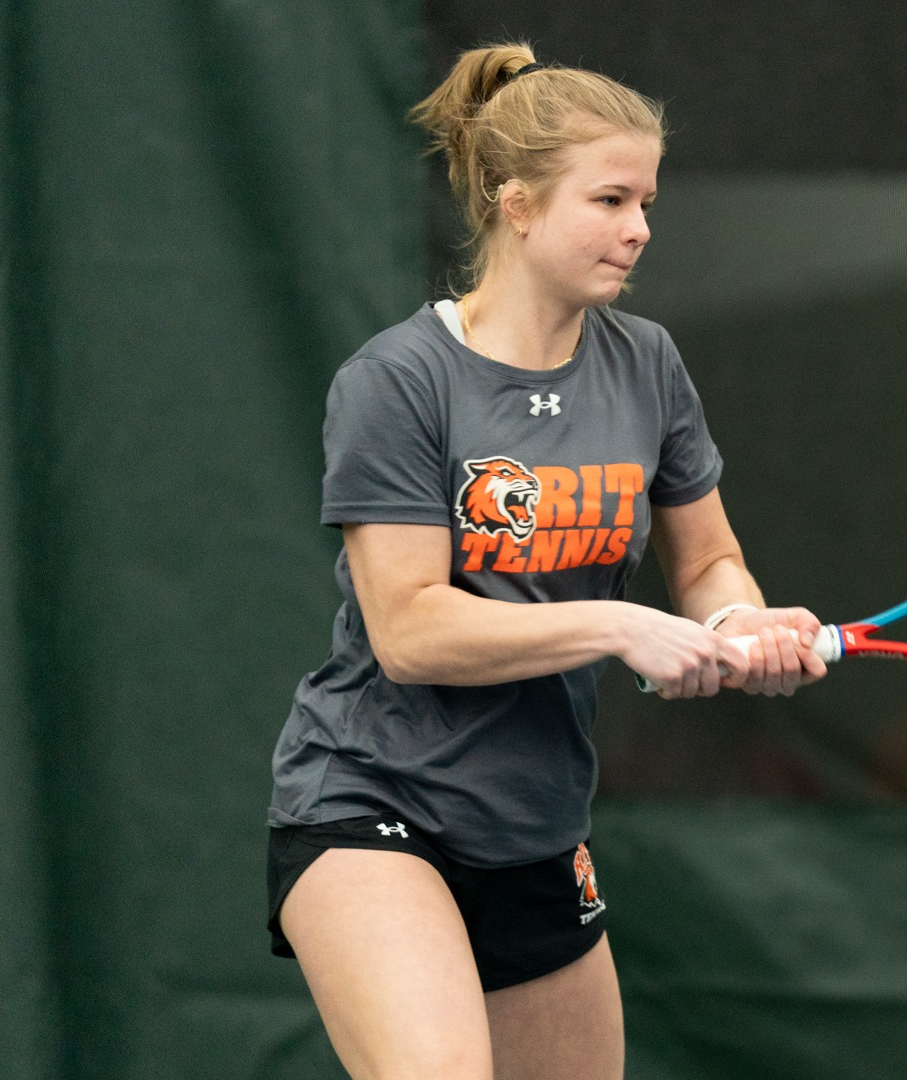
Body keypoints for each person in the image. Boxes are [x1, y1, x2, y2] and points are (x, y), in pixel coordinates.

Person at [264, 44, 828, 1078]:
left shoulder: (647, 363)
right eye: (610, 199)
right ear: (516, 204)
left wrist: (738, 622)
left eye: (647, 201)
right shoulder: (397, 381)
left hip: (532, 822)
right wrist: (621, 627)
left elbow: (709, 564)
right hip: (370, 805)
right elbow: (411, 630)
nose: (640, 229)